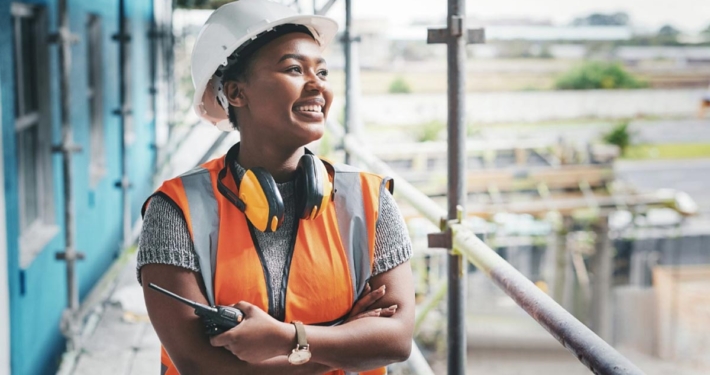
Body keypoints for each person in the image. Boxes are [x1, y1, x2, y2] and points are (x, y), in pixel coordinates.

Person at [137, 1, 415, 374]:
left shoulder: (369, 199)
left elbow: (395, 341)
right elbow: (201, 366)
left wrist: (286, 338)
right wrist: (342, 339)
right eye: (294, 69)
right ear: (236, 93)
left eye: (323, 71)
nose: (317, 85)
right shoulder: (175, 209)